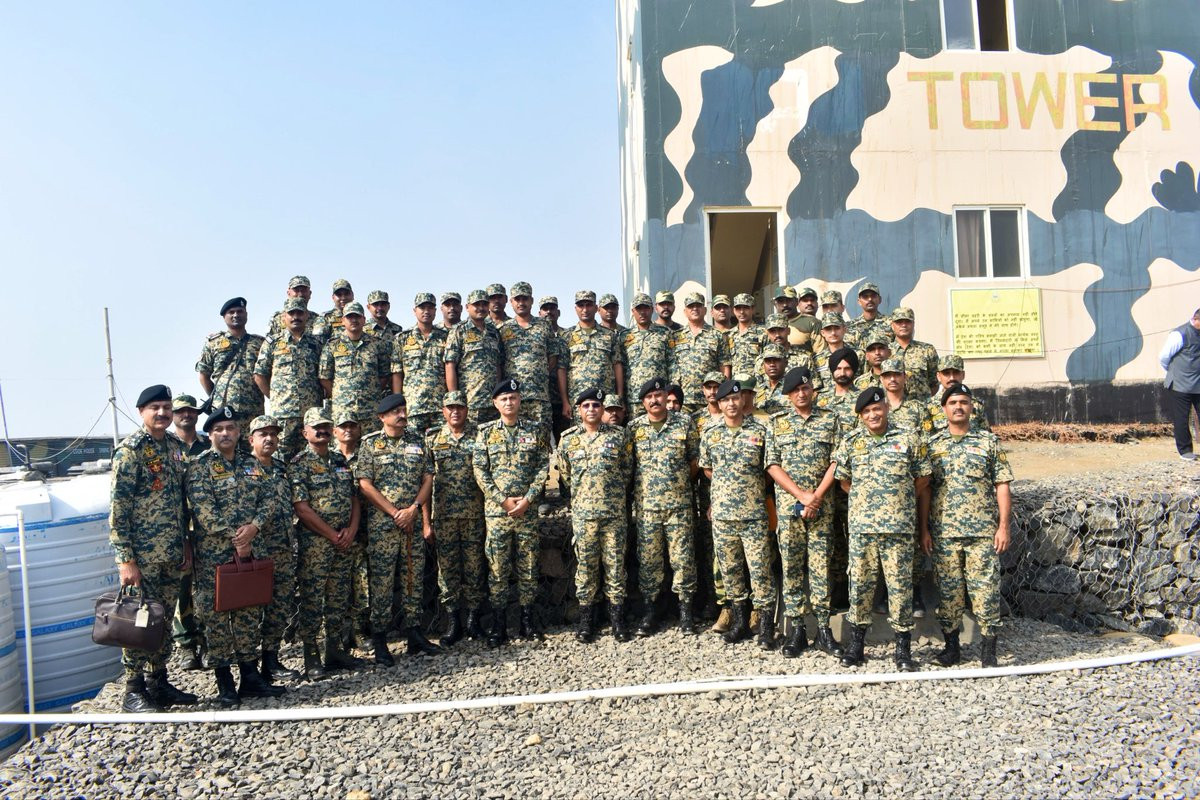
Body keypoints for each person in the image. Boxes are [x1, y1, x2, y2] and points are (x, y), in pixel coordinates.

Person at [699, 379, 811, 649]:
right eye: (726, 400)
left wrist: (749, 487)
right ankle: (739, 623)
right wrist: (727, 487)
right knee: (731, 570)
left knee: (760, 570)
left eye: (735, 398)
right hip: (724, 515)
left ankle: (765, 628)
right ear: (719, 404)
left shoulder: (761, 429)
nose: (731, 404)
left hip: (754, 514)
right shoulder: (710, 432)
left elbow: (770, 468)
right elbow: (707, 468)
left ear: (743, 400)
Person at [187, 406, 285, 706]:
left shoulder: (251, 464)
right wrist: (236, 538)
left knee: (248, 614)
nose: (225, 433)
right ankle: (224, 682)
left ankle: (250, 676)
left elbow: (269, 499)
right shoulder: (199, 466)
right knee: (216, 617)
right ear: (209, 434)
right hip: (216, 556)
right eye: (218, 429)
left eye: (230, 428)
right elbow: (204, 510)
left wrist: (254, 528)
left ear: (239, 432)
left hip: (252, 551)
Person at [109, 384, 198, 713]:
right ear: (141, 412)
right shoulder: (130, 451)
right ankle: (133, 690)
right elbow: (118, 510)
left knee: (162, 619)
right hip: (142, 557)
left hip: (171, 553)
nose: (162, 413)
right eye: (155, 408)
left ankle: (158, 682)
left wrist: (185, 542)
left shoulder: (174, 447)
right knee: (138, 621)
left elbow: (181, 502)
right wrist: (125, 560)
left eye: (166, 407)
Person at [833, 387, 931, 672]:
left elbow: (923, 477)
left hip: (898, 528)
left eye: (877, 408)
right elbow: (844, 481)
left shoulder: (909, 438)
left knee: (900, 587)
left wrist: (898, 498)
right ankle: (856, 646)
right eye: (867, 411)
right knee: (860, 586)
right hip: (863, 529)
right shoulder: (851, 441)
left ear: (886, 408)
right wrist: (868, 501)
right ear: (861, 416)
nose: (873, 414)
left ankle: (903, 649)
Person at [925, 383, 1013, 668]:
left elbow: (1002, 485)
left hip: (982, 534)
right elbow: (925, 490)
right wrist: (924, 530)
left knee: (985, 592)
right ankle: (952, 650)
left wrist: (1003, 527)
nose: (958, 407)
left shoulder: (988, 442)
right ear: (944, 409)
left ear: (972, 407)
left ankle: (989, 652)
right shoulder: (933, 445)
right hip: (944, 533)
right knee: (949, 594)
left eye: (963, 402)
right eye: (953, 403)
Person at [355, 393, 438, 664]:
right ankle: (380, 638)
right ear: (382, 417)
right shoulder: (370, 444)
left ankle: (414, 633)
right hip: (384, 525)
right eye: (395, 412)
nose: (402, 415)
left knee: (413, 577)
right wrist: (394, 512)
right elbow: (365, 484)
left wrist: (414, 509)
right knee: (382, 581)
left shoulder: (417, 440)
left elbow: (428, 478)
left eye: (403, 410)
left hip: (411, 522)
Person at [767, 368, 842, 658]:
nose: (801, 393)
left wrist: (816, 497)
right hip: (790, 509)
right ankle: (796, 630)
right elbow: (772, 465)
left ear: (812, 390)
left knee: (821, 567)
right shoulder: (777, 423)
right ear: (788, 395)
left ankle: (823, 629)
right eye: (795, 390)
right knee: (792, 568)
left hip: (821, 508)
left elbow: (837, 461)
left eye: (805, 388)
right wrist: (801, 496)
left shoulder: (830, 420)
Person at [472, 378, 551, 647]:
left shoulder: (535, 430)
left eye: (513, 398)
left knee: (528, 566)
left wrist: (528, 499)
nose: (509, 402)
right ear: (495, 403)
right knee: (498, 569)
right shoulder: (485, 433)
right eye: (504, 399)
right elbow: (480, 471)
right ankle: (499, 625)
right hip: (498, 514)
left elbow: (543, 467)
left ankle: (528, 622)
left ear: (520, 401)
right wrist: (503, 501)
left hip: (527, 511)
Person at [291, 407, 364, 679]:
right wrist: (332, 535)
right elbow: (302, 508)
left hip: (344, 540)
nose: (321, 430)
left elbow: (354, 498)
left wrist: (352, 529)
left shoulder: (339, 460)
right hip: (317, 544)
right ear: (305, 433)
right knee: (312, 599)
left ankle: (334, 650)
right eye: (316, 427)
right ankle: (311, 655)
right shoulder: (299, 464)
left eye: (325, 426)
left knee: (338, 597)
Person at [557, 388, 633, 642]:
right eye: (586, 405)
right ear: (578, 410)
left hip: (613, 514)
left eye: (596, 405)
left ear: (602, 410)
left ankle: (617, 620)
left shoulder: (619, 436)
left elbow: (626, 470)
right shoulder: (568, 439)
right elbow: (566, 476)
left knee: (615, 566)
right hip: (584, 516)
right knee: (586, 569)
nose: (591, 409)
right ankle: (587, 620)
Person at [628, 378, 700, 636]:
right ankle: (651, 612)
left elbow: (695, 459)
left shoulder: (684, 422)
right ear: (643, 402)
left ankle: (686, 612)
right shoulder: (634, 428)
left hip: (679, 506)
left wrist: (677, 483)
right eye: (649, 397)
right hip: (647, 508)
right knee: (650, 561)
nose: (654, 400)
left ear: (665, 396)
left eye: (658, 395)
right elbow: (629, 466)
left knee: (683, 559)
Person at [244, 415, 302, 685]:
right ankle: (249, 666)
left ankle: (271, 660)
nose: (269, 438)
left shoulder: (281, 468)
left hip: (283, 549)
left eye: (273, 434)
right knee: (252, 609)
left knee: (279, 606)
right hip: (256, 550)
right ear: (251, 439)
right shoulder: (243, 468)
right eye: (263, 434)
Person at [425, 391, 486, 645]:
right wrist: (426, 522)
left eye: (460, 407)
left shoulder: (479, 435)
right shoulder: (432, 439)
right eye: (450, 408)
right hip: (444, 516)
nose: (455, 412)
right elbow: (426, 482)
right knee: (447, 570)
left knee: (474, 568)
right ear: (443, 411)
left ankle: (473, 620)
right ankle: (453, 621)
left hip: (474, 514)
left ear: (467, 410)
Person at [254, 297, 323, 460]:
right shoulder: (273, 343)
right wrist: (275, 397)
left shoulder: (316, 344)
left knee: (312, 457)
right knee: (281, 457)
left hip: (311, 414)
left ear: (306, 316)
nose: (296, 317)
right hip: (283, 414)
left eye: (300, 313)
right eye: (292, 313)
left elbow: (325, 375)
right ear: (284, 317)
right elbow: (259, 375)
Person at [169, 394, 208, 672]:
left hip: (206, 527)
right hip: (178, 528)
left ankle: (208, 640)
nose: (186, 415)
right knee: (182, 587)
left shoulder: (208, 445)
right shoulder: (167, 446)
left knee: (208, 586)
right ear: (173, 415)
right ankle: (186, 645)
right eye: (180, 411)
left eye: (191, 411)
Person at [497, 282, 567, 429]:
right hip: (513, 397)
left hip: (539, 396)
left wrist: (538, 373)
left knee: (542, 437)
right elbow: (499, 362)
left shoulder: (544, 325)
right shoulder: (503, 329)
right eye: (517, 299)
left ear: (532, 301)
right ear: (511, 302)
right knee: (516, 437)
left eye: (525, 299)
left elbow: (553, 356)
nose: (521, 303)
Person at [319, 302, 391, 433]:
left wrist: (370, 391)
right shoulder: (332, 345)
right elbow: (324, 377)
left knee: (371, 442)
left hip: (370, 408)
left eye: (357, 316)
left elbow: (384, 374)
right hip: (343, 409)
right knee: (343, 444)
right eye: (350, 317)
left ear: (364, 320)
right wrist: (340, 394)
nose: (354, 320)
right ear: (343, 320)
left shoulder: (377, 344)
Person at [196, 297, 265, 427]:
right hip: (223, 410)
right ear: (224, 317)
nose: (236, 315)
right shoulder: (214, 343)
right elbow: (203, 375)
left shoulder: (260, 343)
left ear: (246, 314)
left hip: (253, 410)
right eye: (231, 312)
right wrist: (216, 397)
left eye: (240, 311)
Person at [333, 414, 370, 648]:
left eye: (352, 426)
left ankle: (359, 630)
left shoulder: (367, 454)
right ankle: (338, 634)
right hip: (334, 532)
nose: (348, 430)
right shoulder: (328, 457)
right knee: (336, 584)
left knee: (362, 581)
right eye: (343, 426)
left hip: (363, 528)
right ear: (335, 431)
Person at [391, 292, 449, 436]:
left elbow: (452, 368)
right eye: (422, 308)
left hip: (440, 405)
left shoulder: (446, 337)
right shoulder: (402, 339)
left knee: (441, 445)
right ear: (414, 310)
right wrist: (398, 404)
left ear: (435, 311)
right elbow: (397, 373)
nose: (426, 311)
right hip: (413, 406)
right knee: (413, 446)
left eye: (430, 308)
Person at [445, 289, 505, 425]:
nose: (481, 308)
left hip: (492, 402)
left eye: (484, 304)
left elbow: (498, 365)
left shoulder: (493, 332)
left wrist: (498, 393)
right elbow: (450, 365)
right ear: (467, 307)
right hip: (469, 402)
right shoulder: (459, 330)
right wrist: (455, 399)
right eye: (476, 305)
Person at [560, 290, 626, 407]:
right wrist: (565, 401)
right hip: (578, 399)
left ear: (596, 308)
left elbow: (617, 365)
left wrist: (619, 396)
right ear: (575, 309)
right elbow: (562, 369)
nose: (585, 310)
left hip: (606, 398)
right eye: (581, 305)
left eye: (589, 305)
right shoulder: (566, 336)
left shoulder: (609, 335)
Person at [669, 292, 732, 413]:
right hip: (683, 400)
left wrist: (724, 394)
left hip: (710, 399)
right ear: (685, 311)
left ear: (705, 310)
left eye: (698, 306)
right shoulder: (675, 336)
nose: (694, 309)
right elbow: (671, 366)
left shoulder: (717, 335)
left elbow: (725, 367)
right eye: (691, 306)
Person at [1160, 307, 1200, 460]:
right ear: (1196, 319)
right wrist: (1173, 372)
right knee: (1181, 418)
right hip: (1180, 384)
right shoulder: (1179, 334)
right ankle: (1185, 451)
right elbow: (1164, 357)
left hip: (1198, 383)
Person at [622, 292, 672, 411]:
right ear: (633, 311)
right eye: (639, 309)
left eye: (646, 308)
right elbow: (620, 367)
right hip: (634, 397)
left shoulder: (665, 333)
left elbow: (672, 364)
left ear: (652, 310)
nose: (642, 312)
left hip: (658, 395)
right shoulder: (624, 336)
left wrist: (670, 392)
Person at [928, 354, 990, 432]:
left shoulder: (975, 405)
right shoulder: (929, 406)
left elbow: (985, 434)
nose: (952, 378)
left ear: (963, 375)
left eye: (956, 372)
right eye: (946, 373)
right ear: (938, 376)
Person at [889, 307, 939, 399]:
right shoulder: (885, 351)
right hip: (892, 406)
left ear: (913, 324)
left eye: (907, 322)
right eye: (899, 322)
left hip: (921, 405)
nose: (903, 325)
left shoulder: (927, 350)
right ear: (892, 325)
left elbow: (934, 383)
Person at [730, 293, 768, 377]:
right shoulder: (729, 335)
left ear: (753, 309)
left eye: (746, 308)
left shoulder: (763, 333)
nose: (742, 312)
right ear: (734, 310)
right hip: (736, 382)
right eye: (738, 308)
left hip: (756, 382)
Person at [847, 282, 891, 348]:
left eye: (873, 296)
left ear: (880, 299)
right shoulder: (850, 326)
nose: (870, 299)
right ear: (859, 301)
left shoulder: (890, 323)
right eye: (865, 297)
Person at [314, 278, 355, 344]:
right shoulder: (325, 318)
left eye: (346, 294)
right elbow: (317, 343)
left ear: (352, 295)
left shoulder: (358, 317)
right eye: (339, 295)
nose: (343, 298)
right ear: (333, 297)